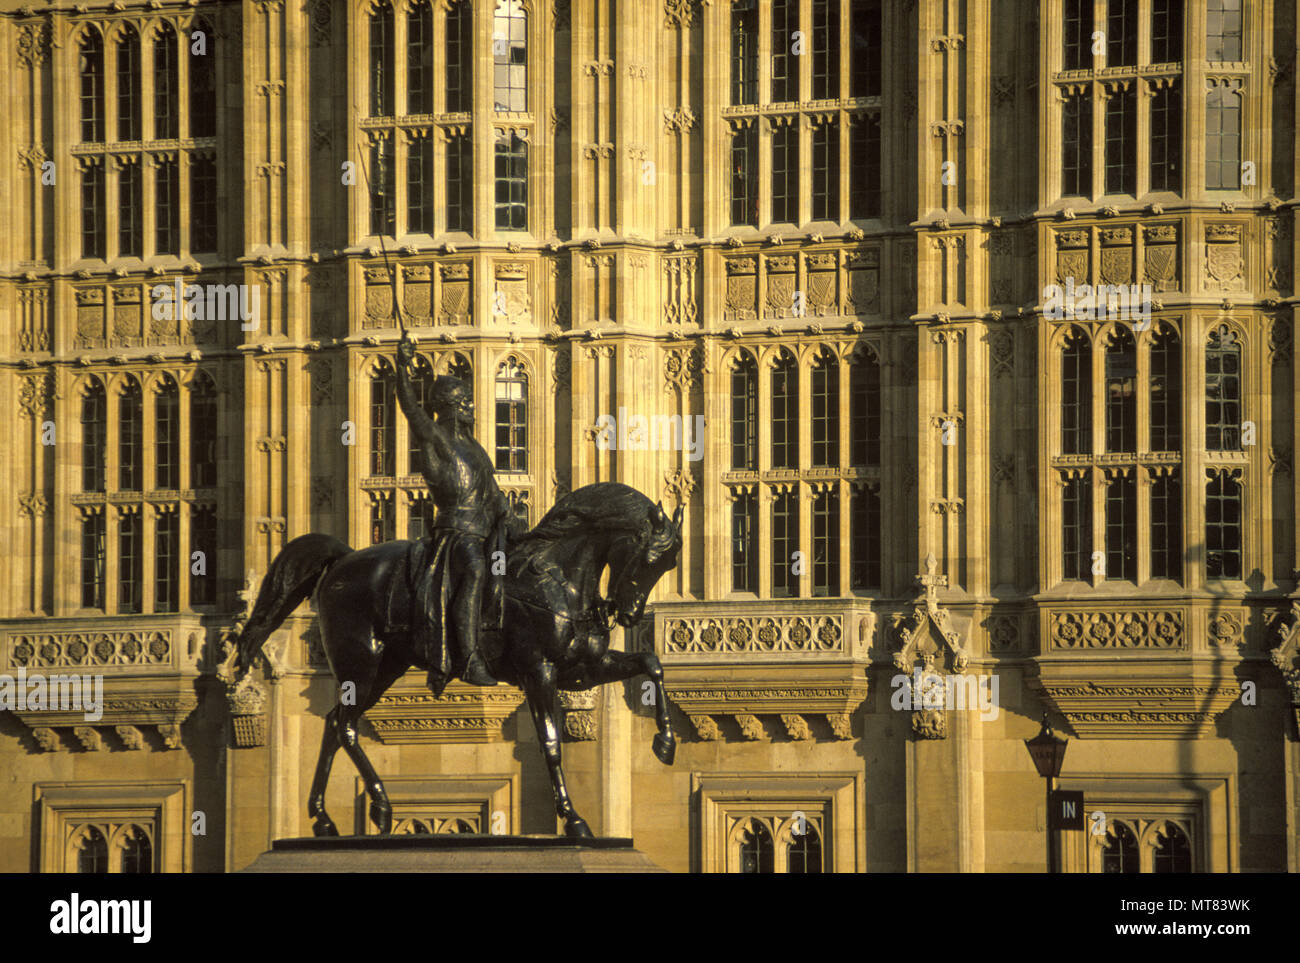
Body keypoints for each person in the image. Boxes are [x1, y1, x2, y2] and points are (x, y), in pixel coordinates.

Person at [394, 333, 513, 690]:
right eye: (465, 404)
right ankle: (469, 657)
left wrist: (509, 518)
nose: (472, 410)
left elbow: (492, 493)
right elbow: (411, 408)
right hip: (456, 535)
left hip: (487, 530)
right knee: (476, 571)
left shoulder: (475, 448)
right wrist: (402, 366)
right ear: (450, 408)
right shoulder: (437, 440)